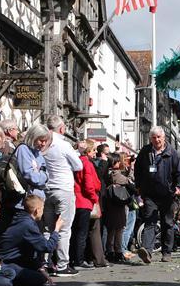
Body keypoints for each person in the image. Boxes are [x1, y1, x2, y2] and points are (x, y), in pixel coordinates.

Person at [134, 126, 180, 264]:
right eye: (154, 137)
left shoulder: (173, 154)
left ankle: (166, 252)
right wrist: (139, 187)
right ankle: (147, 251)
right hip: (150, 194)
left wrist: (179, 188)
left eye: (159, 137)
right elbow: (138, 170)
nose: (156, 140)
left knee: (167, 223)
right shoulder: (145, 152)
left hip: (168, 195)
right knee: (149, 221)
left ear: (164, 138)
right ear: (150, 139)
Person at [42, 116, 83, 276]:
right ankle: (62, 265)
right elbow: (78, 166)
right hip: (63, 188)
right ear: (61, 129)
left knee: (47, 228)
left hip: (47, 188)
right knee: (64, 228)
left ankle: (45, 263)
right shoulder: (63, 144)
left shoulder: (43, 143)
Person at [0, 194, 62, 286]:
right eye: (42, 209)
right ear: (37, 210)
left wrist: (40, 268)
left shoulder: (23, 219)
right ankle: (3, 279)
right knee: (39, 279)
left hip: (13, 260)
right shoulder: (27, 224)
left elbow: (28, 250)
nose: (42, 212)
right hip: (7, 262)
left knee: (38, 275)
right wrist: (56, 230)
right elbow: (47, 247)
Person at [71, 139, 106, 268]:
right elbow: (89, 184)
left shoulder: (77, 162)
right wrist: (94, 198)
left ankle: (75, 258)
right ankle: (79, 260)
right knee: (82, 232)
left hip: (76, 199)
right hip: (84, 200)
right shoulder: (87, 164)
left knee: (75, 231)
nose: (95, 153)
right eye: (93, 150)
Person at [103, 153, 134, 263]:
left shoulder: (106, 173)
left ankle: (110, 250)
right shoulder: (116, 175)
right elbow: (130, 182)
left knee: (111, 229)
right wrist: (130, 170)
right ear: (114, 163)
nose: (120, 162)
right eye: (118, 161)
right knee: (119, 229)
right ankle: (117, 251)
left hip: (109, 204)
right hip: (119, 204)